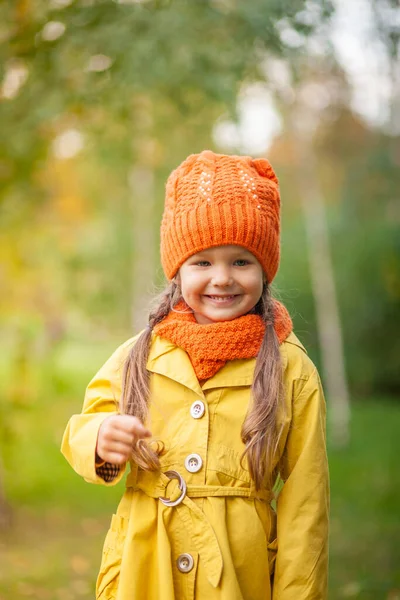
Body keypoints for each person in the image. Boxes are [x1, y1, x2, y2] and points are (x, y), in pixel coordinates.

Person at [61, 150, 329, 600]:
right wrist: (102, 437)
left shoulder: (289, 367)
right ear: (177, 271)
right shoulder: (139, 354)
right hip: (146, 568)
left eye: (241, 261)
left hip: (238, 574)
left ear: (264, 268)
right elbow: (84, 427)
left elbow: (307, 505)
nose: (221, 278)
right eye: (202, 262)